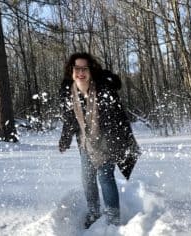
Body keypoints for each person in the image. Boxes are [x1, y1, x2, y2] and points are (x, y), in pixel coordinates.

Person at [58, 52, 140, 228]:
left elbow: (116, 117)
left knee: (105, 177)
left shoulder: (102, 87)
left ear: (91, 70)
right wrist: (65, 138)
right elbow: (69, 118)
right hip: (85, 142)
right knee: (87, 179)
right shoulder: (68, 91)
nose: (81, 72)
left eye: (84, 69)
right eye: (77, 68)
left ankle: (113, 218)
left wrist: (114, 142)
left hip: (107, 140)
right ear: (71, 71)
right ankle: (94, 212)